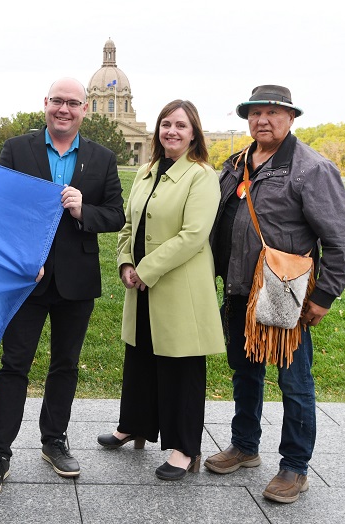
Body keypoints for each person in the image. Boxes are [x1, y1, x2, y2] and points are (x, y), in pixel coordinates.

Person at [205, 85, 345, 503]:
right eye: (256, 113)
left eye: (274, 112)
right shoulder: (236, 163)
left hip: (285, 295)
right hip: (239, 290)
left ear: (291, 118)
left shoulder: (311, 168)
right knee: (245, 372)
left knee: (295, 382)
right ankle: (245, 446)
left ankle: (294, 467)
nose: (263, 120)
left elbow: (343, 240)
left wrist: (324, 296)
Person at [0, 77, 125, 498]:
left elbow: (115, 215)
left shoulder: (102, 158)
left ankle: (54, 441)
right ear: (45, 104)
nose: (64, 108)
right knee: (14, 366)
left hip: (77, 280)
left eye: (73, 103)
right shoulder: (17, 149)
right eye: (57, 101)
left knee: (65, 366)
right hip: (27, 278)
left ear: (84, 109)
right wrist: (19, 257)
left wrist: (84, 210)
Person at [96, 100, 225, 480]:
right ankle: (134, 425)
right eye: (166, 124)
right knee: (140, 358)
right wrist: (125, 262)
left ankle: (185, 448)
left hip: (178, 287)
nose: (171, 131)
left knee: (180, 367)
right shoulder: (147, 170)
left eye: (180, 126)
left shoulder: (201, 175)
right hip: (142, 285)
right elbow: (128, 224)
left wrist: (145, 270)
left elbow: (193, 235)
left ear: (193, 133)